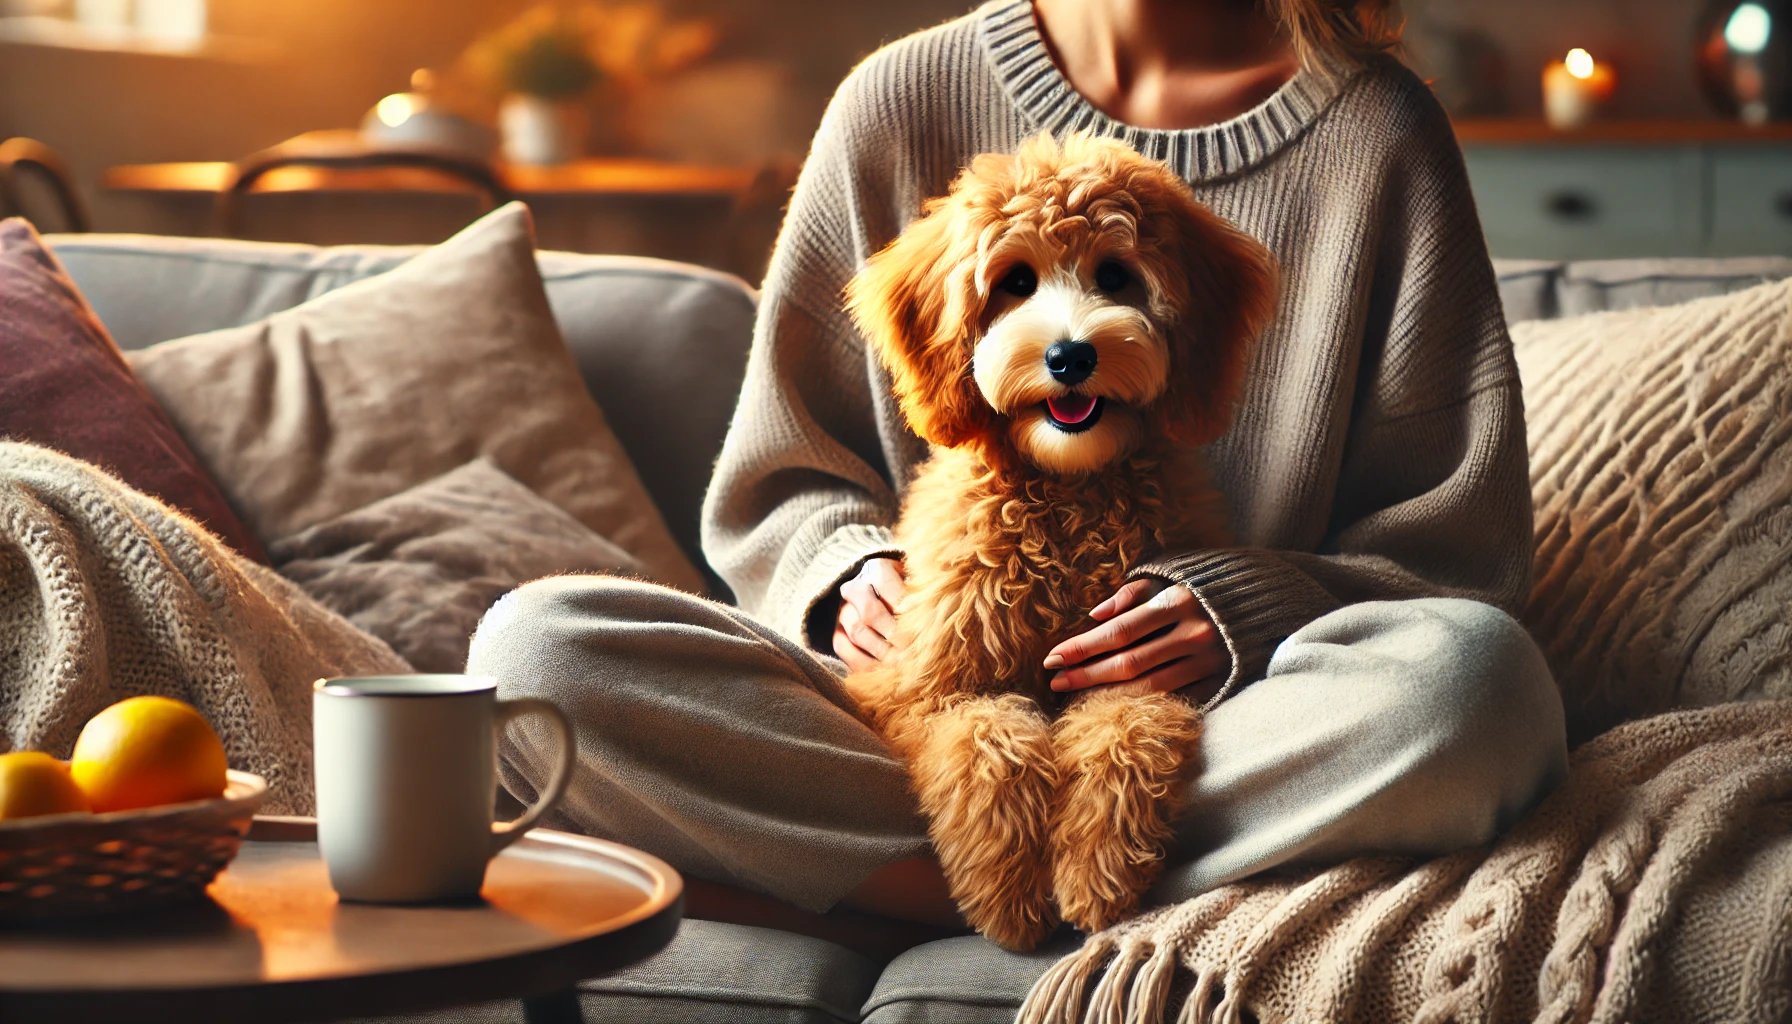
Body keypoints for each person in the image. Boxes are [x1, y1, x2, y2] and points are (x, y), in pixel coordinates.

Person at [468, 0, 1569, 941]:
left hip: (1237, 718)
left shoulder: (1378, 131)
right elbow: (781, 475)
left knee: (1479, 690)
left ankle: (904, 887)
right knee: (536, 652)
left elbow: (1454, 548)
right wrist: (841, 569)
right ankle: (1030, 876)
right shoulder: (895, 100)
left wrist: (1260, 605)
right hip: (905, 716)